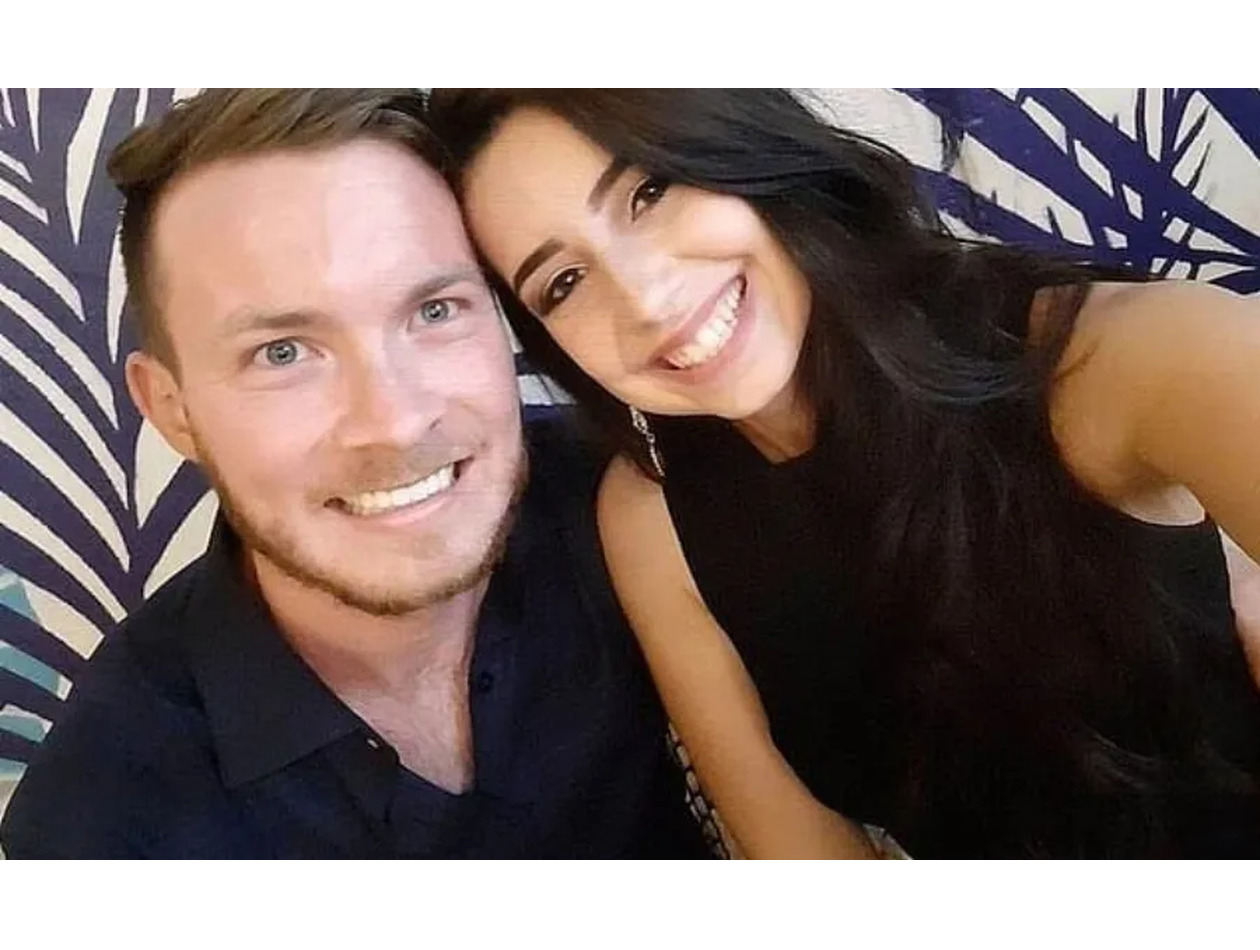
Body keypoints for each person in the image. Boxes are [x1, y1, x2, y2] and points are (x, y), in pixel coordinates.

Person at [426, 88, 1260, 858]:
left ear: (742, 150)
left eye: (650, 192)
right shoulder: (652, 521)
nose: (644, 300)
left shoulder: (1126, 357)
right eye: (564, 282)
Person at [0, 89, 711, 859]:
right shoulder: (104, 826)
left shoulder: (647, 497)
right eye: (282, 353)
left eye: (434, 310)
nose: (394, 421)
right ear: (173, 411)